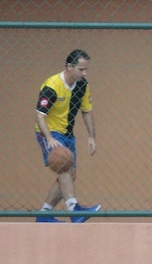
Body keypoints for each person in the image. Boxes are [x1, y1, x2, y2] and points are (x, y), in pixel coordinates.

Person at [34, 48, 101, 223]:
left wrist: (91, 136)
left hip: (67, 133)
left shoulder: (82, 85)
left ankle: (44, 214)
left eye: (86, 69)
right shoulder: (52, 86)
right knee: (64, 167)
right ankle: (74, 209)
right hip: (49, 131)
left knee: (70, 175)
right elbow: (40, 115)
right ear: (68, 67)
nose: (84, 73)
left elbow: (87, 110)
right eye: (81, 69)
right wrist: (49, 138)